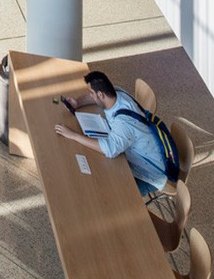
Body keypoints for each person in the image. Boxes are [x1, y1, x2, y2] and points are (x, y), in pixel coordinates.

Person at [53, 69, 170, 197]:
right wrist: (78, 103)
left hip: (150, 175)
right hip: (138, 152)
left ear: (101, 95)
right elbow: (96, 99)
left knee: (109, 194)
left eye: (92, 93)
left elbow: (109, 149)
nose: (90, 96)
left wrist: (73, 135)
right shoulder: (117, 93)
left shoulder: (124, 123)